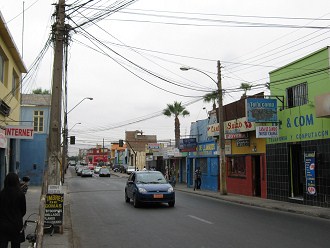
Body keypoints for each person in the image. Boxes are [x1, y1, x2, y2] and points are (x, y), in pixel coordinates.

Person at [0, 173, 27, 248]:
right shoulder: (20, 194)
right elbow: (23, 210)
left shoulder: (2, 194)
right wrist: (17, 216)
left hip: (3, 224)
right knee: (16, 244)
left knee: (3, 243)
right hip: (16, 224)